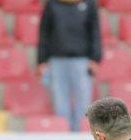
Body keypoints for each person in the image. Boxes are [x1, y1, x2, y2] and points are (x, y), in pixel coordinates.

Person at [37, 0, 102, 132]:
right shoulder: (52, 5)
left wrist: (95, 58)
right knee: (60, 103)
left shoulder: (89, 4)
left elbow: (95, 31)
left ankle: (80, 138)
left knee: (83, 104)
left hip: (82, 61)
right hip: (56, 61)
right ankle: (63, 138)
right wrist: (41, 60)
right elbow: (44, 32)